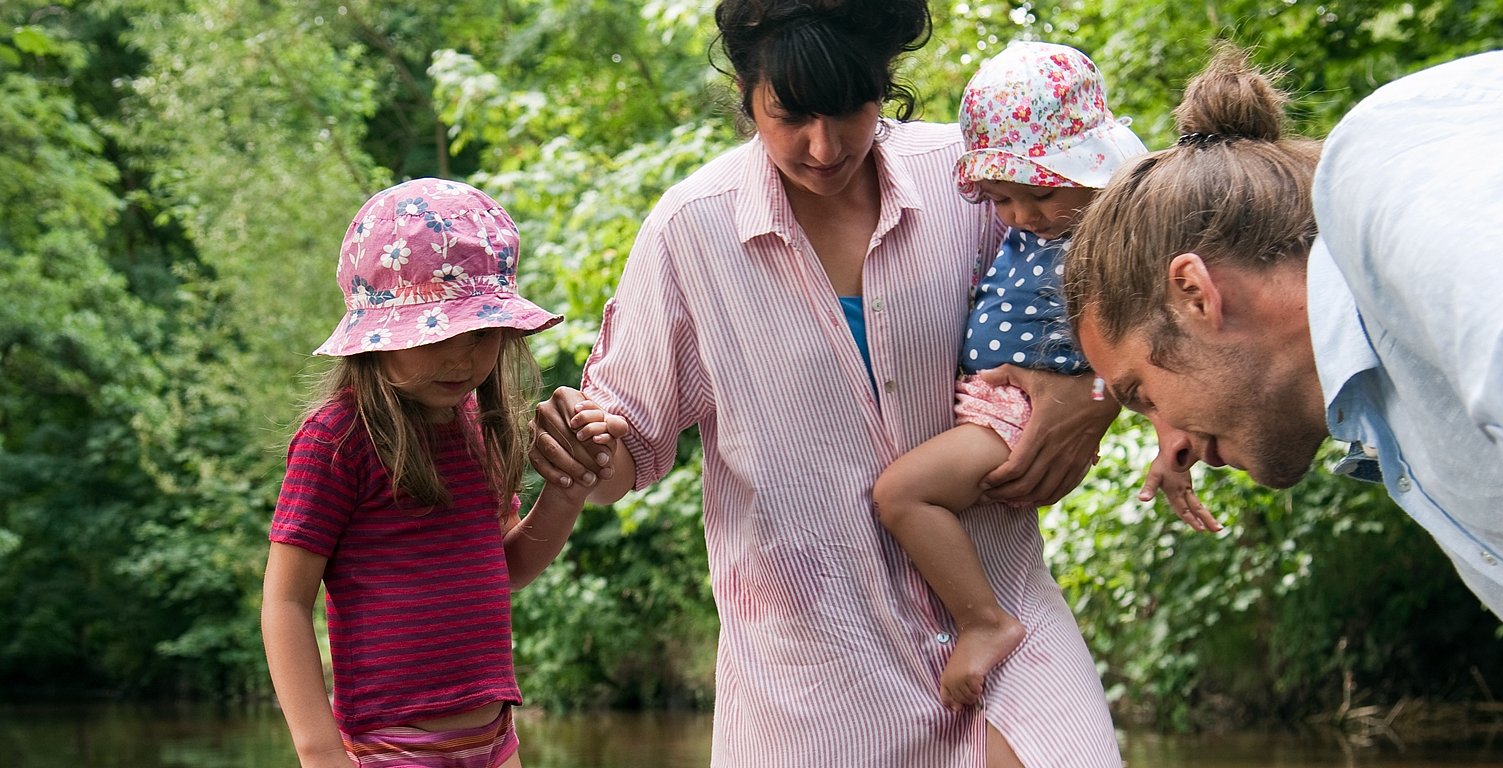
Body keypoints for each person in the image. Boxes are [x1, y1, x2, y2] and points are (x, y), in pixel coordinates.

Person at [1064, 28, 1503, 767]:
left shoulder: (1387, 165)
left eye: (1142, 395)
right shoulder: (1443, 489)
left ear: (1194, 293)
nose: (1170, 445)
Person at [528, 1, 1125, 764]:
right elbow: (620, 461)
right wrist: (583, 449)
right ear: (747, 95)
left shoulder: (973, 182)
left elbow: (1123, 295)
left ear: (883, 85)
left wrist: (1097, 398)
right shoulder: (691, 233)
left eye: (851, 109)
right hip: (819, 684)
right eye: (793, 115)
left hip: (1006, 623)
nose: (824, 145)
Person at [868, 40, 1219, 713]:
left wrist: (1171, 432)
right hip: (996, 409)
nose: (1022, 215)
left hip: (1017, 423)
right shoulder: (1049, 226)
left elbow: (1149, 341)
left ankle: (984, 621)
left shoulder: (1107, 244)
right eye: (1001, 199)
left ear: (1090, 174)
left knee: (900, 495)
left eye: (1038, 193)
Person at [262, 177, 587, 768]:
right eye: (438, 334)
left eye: (482, 333)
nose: (461, 358)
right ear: (376, 338)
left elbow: (506, 567)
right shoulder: (338, 440)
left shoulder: (478, 428)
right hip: (393, 746)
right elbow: (285, 601)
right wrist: (319, 752)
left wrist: (567, 493)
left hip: (494, 739)